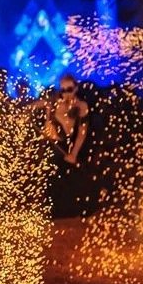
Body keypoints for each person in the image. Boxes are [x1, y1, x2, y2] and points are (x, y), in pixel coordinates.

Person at [32, 73, 90, 217]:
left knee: (64, 184)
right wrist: (23, 111)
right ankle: (42, 213)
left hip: (64, 146)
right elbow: (36, 105)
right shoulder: (52, 102)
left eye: (69, 89)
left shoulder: (81, 106)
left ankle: (65, 214)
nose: (66, 93)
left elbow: (82, 133)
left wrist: (74, 153)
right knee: (44, 180)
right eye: (63, 90)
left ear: (75, 88)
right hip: (48, 146)